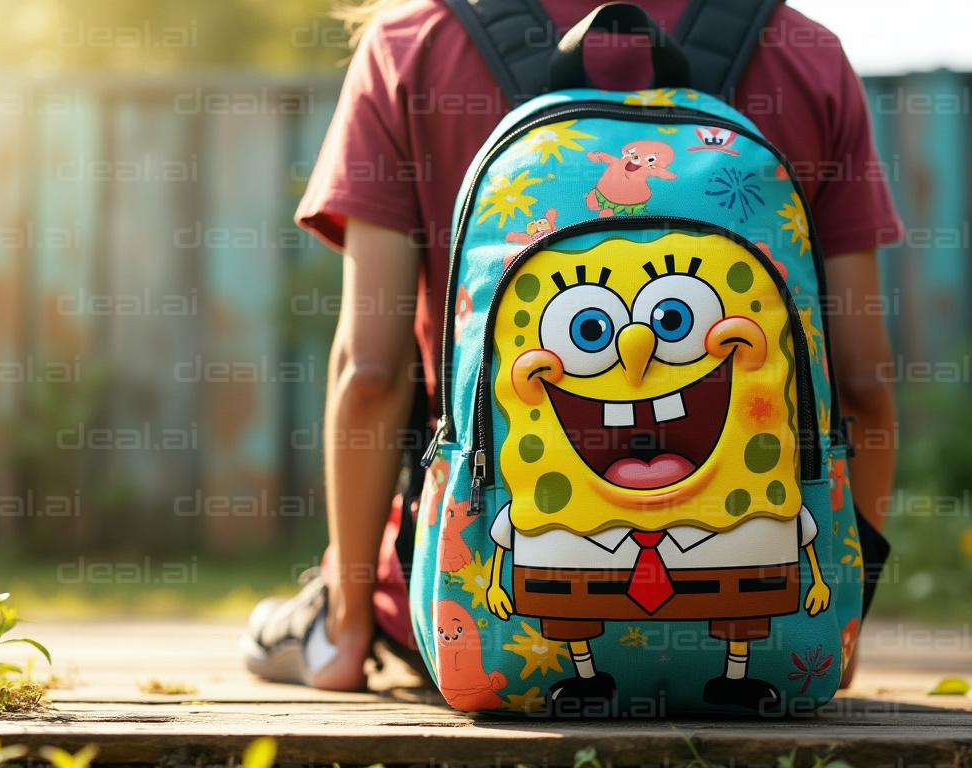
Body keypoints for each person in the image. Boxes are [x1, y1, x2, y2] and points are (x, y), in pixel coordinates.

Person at [242, 0, 901, 692]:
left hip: (471, 624)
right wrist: (839, 631)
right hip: (771, 610)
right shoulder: (805, 52)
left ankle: (333, 622)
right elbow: (864, 383)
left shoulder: (411, 44)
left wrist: (350, 627)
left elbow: (369, 373)